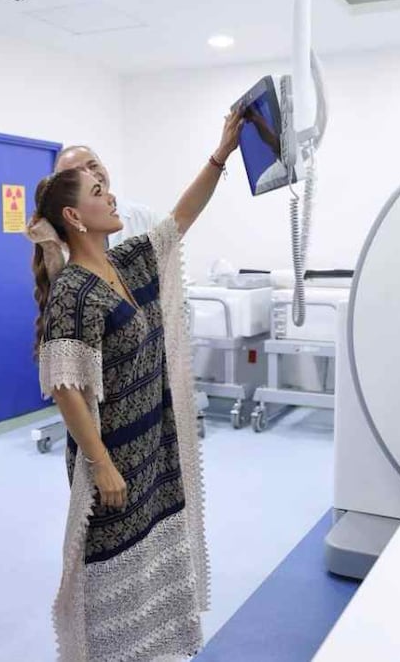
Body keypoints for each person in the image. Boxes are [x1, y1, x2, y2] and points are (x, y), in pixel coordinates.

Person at [29, 109, 242, 661]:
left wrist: (220, 155)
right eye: (99, 191)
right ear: (76, 215)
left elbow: (179, 218)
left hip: (153, 447)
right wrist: (100, 464)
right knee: (113, 574)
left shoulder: (125, 265)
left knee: (153, 563)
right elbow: (65, 386)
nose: (112, 197)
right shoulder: (73, 291)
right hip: (116, 459)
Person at [53, 145, 167, 248]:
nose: (90, 174)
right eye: (79, 173)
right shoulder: (57, 231)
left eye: (93, 166)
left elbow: (166, 263)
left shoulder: (144, 216)